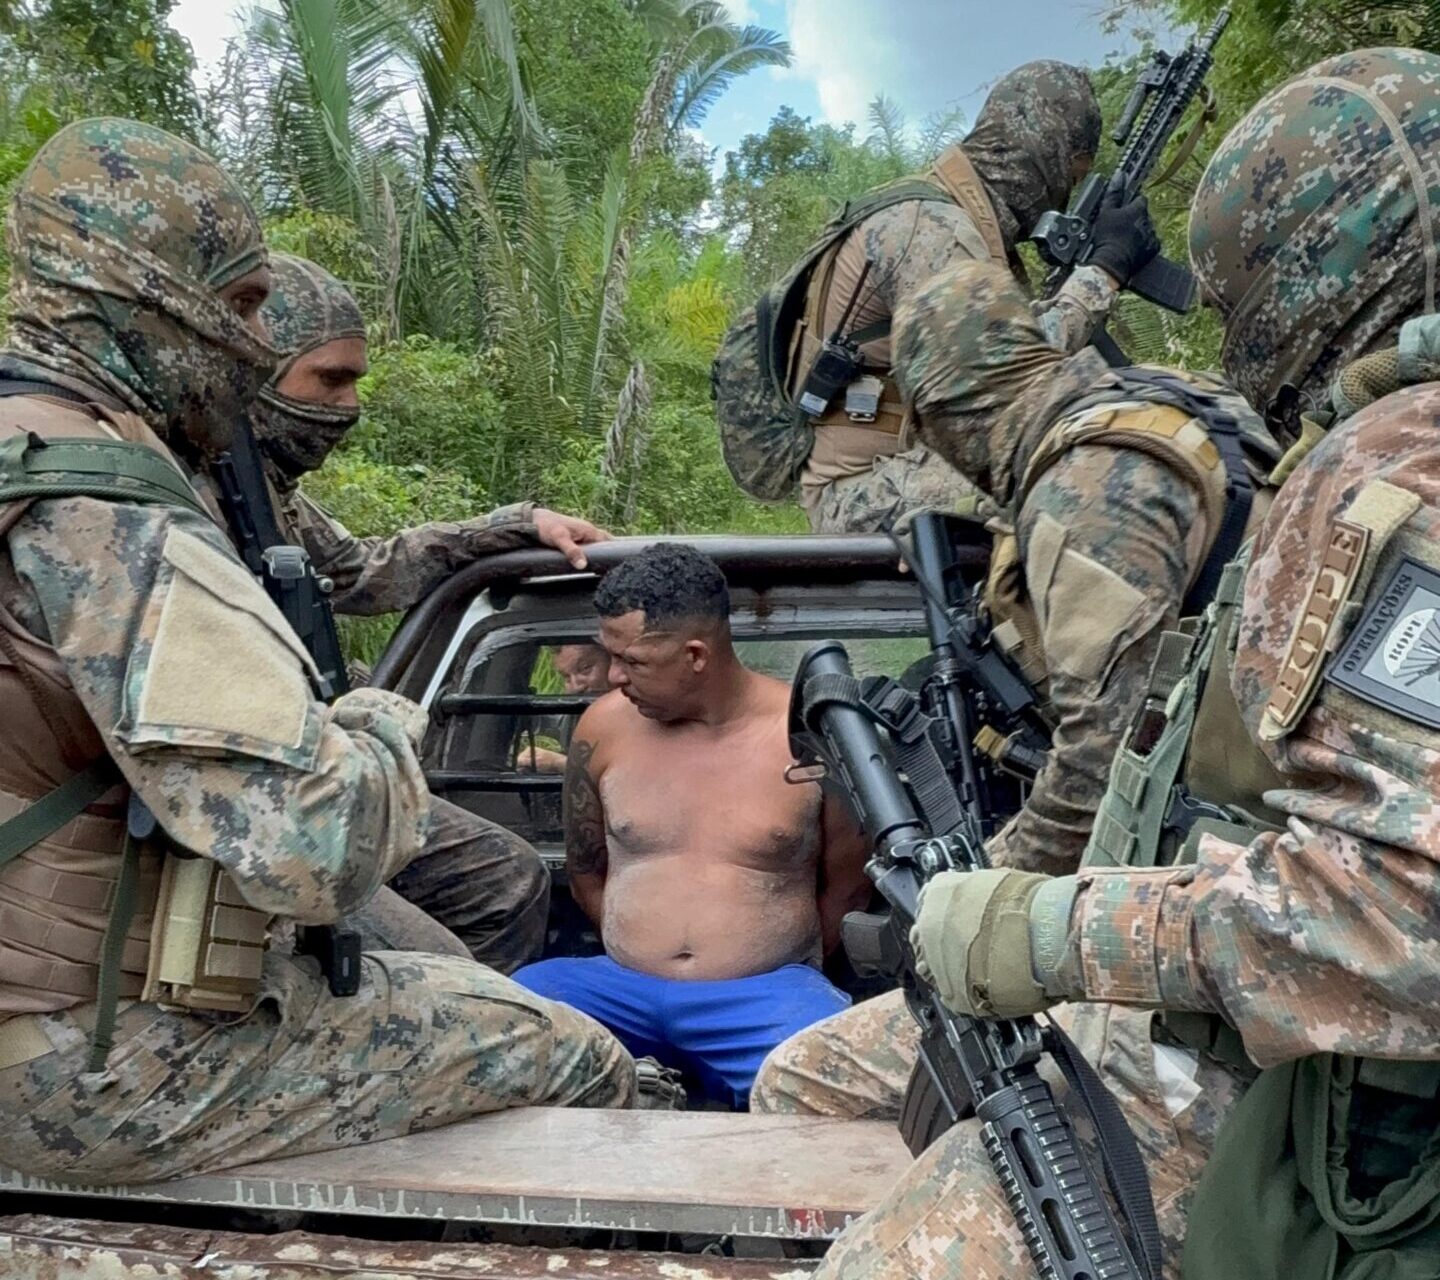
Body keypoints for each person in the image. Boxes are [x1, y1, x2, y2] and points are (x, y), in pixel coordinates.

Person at [786, 46, 1440, 1280]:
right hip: (1274, 1019)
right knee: (810, 1076)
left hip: (1323, 1093)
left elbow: (1399, 916)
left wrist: (1037, 921)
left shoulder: (1389, 469)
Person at [0, 118, 635, 1186]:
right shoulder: (111, 505)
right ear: (147, 292)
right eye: (239, 307)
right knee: (578, 1051)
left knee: (475, 902)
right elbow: (320, 840)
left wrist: (501, 529)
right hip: (81, 1063)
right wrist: (378, 718)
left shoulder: (38, 445)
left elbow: (360, 568)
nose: (247, 349)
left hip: (76, 977)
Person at [242, 253, 607, 972]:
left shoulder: (261, 488)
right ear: (256, 370)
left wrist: (515, 525)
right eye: (330, 379)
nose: (347, 405)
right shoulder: (189, 484)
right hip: (250, 795)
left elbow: (358, 571)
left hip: (312, 777)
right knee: (431, 958)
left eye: (355, 380)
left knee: (507, 880)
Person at [715, 60, 1161, 535]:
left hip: (902, 473)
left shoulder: (949, 217)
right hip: (863, 492)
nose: (1065, 194)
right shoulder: (932, 225)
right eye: (1071, 173)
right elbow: (1006, 389)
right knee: (1098, 467)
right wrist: (1103, 271)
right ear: (1045, 151)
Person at [512, 544, 871, 1108]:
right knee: (503, 1030)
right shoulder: (603, 726)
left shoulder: (811, 737)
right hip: (617, 987)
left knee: (843, 1093)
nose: (613, 676)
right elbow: (586, 869)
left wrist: (754, 960)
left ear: (697, 655)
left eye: (632, 662)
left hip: (767, 997)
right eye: (610, 656)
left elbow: (848, 888)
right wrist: (645, 948)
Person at [517, 642, 612, 774]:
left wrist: (559, 763)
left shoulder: (644, 711)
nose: (576, 686)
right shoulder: (576, 713)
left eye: (585, 669)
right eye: (566, 677)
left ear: (614, 660)